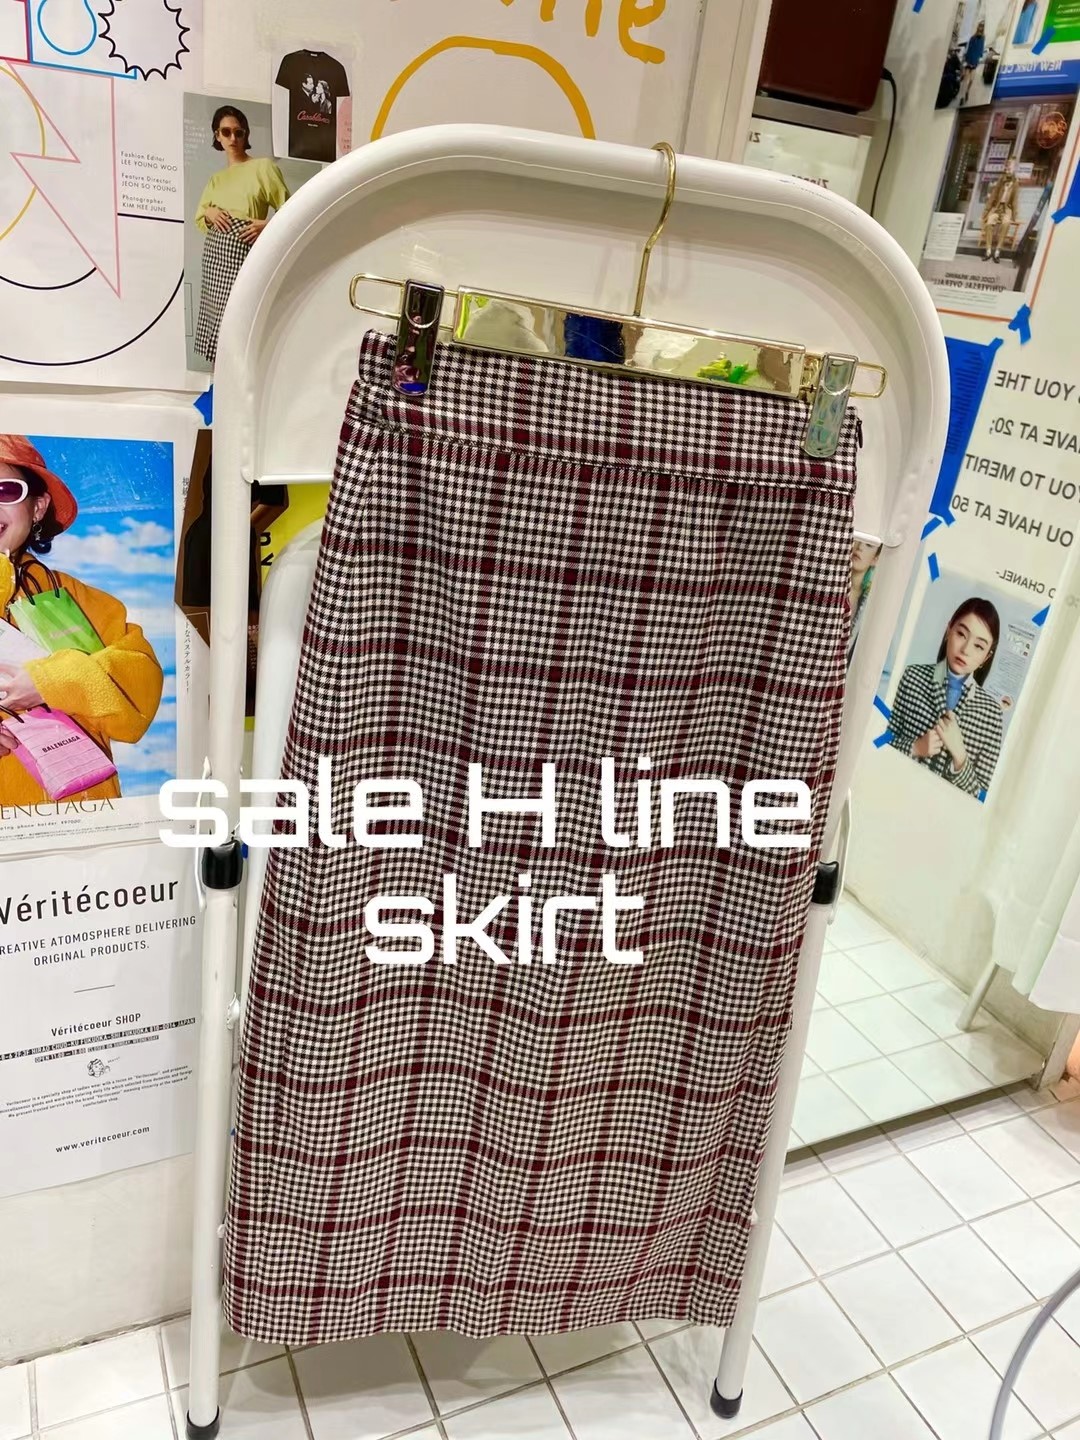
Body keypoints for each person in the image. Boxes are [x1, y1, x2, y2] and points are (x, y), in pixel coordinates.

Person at [0, 435, 163, 806]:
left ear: (38, 507)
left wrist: (52, 682)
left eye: (5, 490)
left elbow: (139, 694)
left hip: (83, 818)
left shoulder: (86, 601)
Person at [193, 105, 291, 366]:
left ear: (246, 134)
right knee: (216, 323)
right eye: (226, 132)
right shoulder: (216, 179)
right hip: (215, 257)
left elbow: (291, 211)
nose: (233, 138)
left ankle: (240, 384)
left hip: (243, 254)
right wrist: (209, 212)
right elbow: (200, 219)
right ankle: (220, 382)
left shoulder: (263, 168)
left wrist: (267, 225)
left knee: (240, 323)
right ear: (217, 136)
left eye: (239, 132)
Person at [888, 597, 1004, 796]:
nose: (965, 650)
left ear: (986, 657)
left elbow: (983, 797)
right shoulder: (912, 677)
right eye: (961, 634)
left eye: (978, 646)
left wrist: (960, 757)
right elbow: (880, 742)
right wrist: (915, 747)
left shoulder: (992, 714)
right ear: (948, 630)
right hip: (896, 791)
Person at [848, 537, 882, 665]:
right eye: (857, 540)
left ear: (875, 559)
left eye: (868, 545)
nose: (859, 547)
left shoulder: (871, 605)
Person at [981, 156, 1021, 263]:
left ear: (1014, 169)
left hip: (1006, 209)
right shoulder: (1001, 180)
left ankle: (997, 252)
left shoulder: (1015, 183)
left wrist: (1015, 216)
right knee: (989, 223)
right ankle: (988, 251)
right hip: (997, 208)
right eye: (1007, 168)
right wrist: (986, 212)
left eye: (1011, 168)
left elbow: (1015, 201)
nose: (1008, 170)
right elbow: (993, 196)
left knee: (1006, 224)